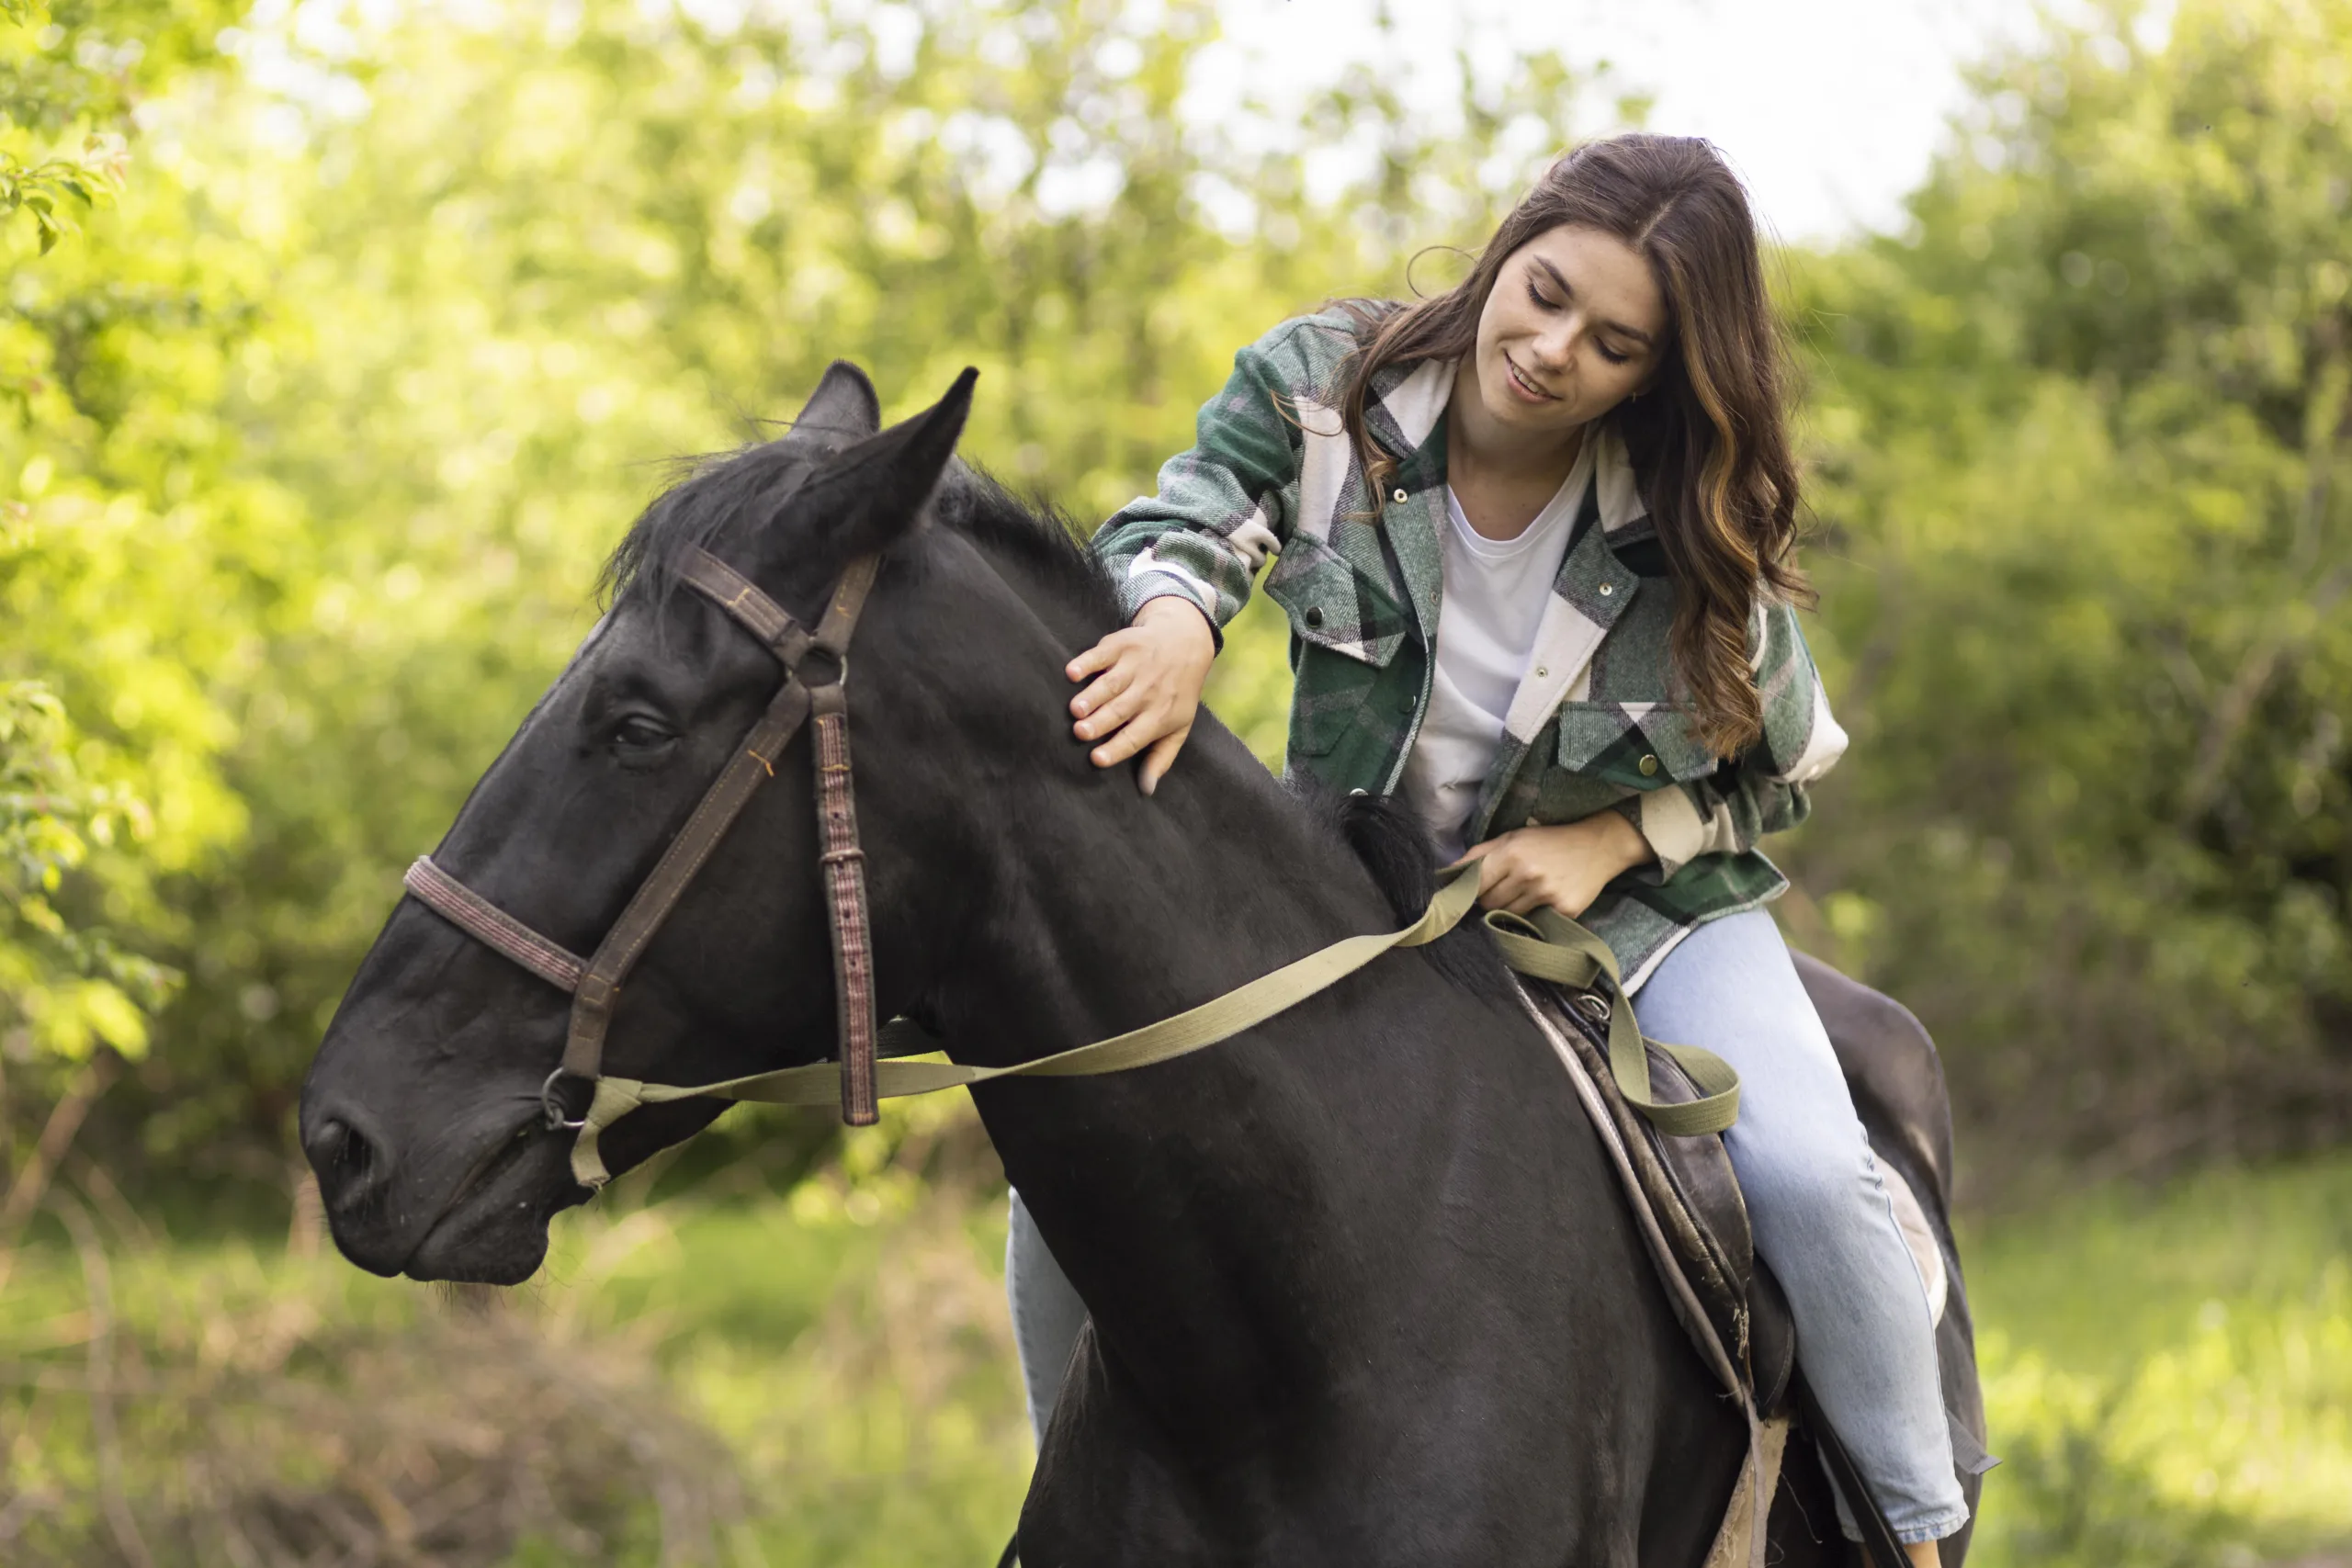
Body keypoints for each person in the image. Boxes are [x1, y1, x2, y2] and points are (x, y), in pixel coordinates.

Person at [1010, 134, 1966, 1561]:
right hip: (1348, 909)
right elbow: (1193, 509)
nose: (1552, 347)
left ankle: (1914, 1523)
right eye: (1545, 291)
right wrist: (1174, 616)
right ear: (1509, 249)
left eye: (1613, 341)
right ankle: (1075, 1514)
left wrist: (1606, 840)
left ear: (1654, 373)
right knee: (1064, 1177)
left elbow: (1782, 778)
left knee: (1815, 1180)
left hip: (1646, 924)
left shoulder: (1684, 524)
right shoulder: (1328, 386)